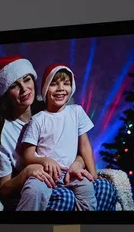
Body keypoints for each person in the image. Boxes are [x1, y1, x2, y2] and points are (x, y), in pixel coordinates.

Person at [0, 55, 117, 212]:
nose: (24, 89)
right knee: (64, 198)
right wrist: (26, 172)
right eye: (14, 85)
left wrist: (78, 164)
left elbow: (80, 147)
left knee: (104, 188)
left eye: (27, 80)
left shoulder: (56, 108)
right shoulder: (3, 130)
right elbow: (4, 188)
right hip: (30, 185)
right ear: (6, 93)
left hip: (66, 174)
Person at [20, 64, 98, 211]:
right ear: (45, 90)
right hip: (44, 174)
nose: (61, 88)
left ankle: (82, 231)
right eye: (54, 84)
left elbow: (85, 145)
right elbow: (27, 155)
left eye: (66, 84)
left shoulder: (76, 112)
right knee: (33, 191)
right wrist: (44, 160)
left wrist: (94, 175)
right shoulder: (38, 119)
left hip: (72, 173)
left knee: (87, 190)